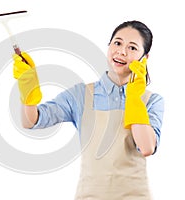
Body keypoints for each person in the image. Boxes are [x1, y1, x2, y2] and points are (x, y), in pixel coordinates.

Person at [13, 20, 164, 199]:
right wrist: (28, 90)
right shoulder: (81, 95)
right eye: (117, 43)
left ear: (144, 58)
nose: (122, 51)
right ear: (109, 47)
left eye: (132, 48)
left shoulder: (151, 101)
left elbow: (146, 147)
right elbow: (31, 121)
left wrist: (134, 98)